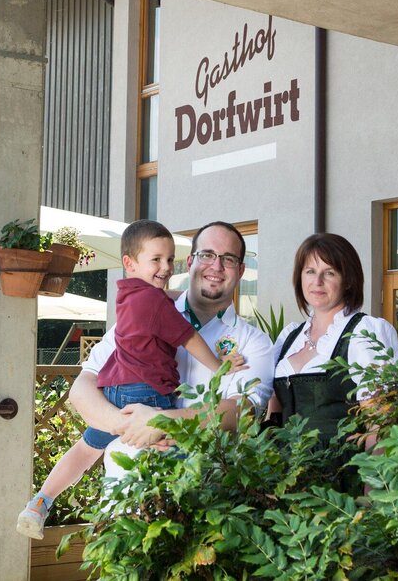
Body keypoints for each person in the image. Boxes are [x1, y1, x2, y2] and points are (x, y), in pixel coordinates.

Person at [16, 219, 247, 539]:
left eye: (170, 260)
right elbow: (188, 337)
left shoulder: (128, 296)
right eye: (156, 260)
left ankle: (40, 501)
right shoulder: (156, 302)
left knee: (85, 450)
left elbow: (167, 298)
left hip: (115, 392)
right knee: (172, 445)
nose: (166, 268)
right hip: (148, 393)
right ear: (129, 262)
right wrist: (219, 363)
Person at [68, 221, 275, 479]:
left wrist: (162, 421)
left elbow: (242, 411)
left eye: (229, 259)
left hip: (200, 499)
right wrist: (128, 425)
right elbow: (81, 388)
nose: (216, 266)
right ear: (189, 262)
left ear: (241, 270)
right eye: (207, 255)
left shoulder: (254, 342)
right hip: (120, 495)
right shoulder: (141, 312)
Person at [268, 233, 398, 452]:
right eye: (310, 271)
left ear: (348, 280)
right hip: (284, 477)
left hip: (341, 474)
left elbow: (382, 423)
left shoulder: (365, 331)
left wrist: (376, 483)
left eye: (329, 273)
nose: (317, 282)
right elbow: (272, 415)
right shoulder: (289, 337)